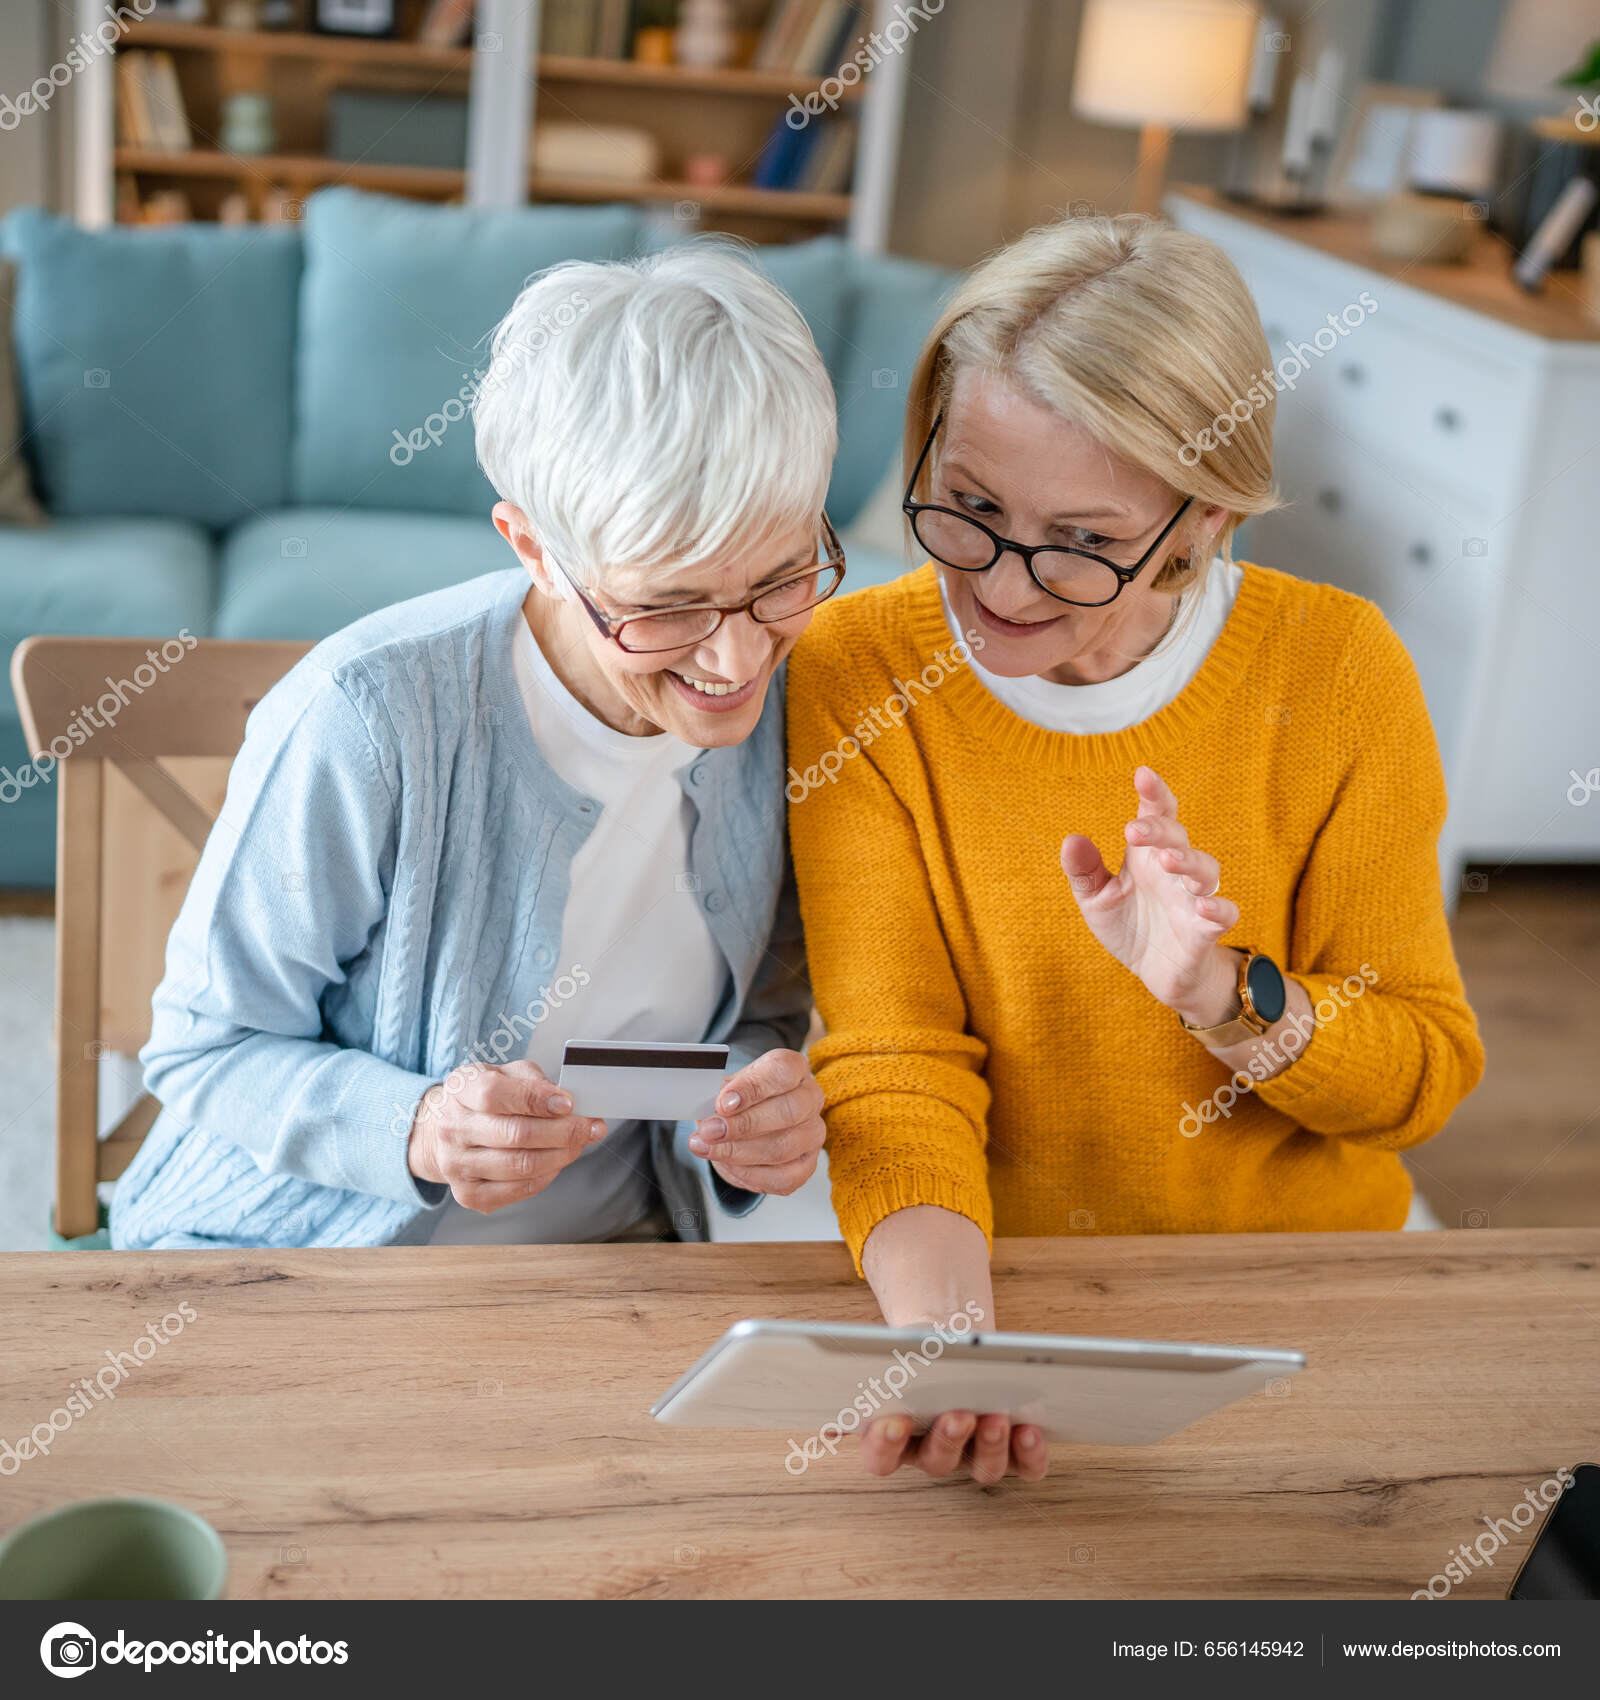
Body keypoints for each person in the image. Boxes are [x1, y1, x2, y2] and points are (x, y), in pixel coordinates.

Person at [786, 213, 1484, 1483]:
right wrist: (950, 1345)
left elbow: (1421, 1076)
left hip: (1299, 1295)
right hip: (999, 1277)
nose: (999, 586)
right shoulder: (858, 668)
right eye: (970, 505)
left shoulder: (1337, 670)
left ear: (1203, 523)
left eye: (1083, 542)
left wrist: (1225, 997)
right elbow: (895, 1061)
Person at [112, 245, 839, 1251]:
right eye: (667, 604)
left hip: (608, 1275)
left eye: (784, 573)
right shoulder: (369, 715)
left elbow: (753, 1019)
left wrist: (757, 1108)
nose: (738, 653)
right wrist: (413, 1126)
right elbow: (207, 1049)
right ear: (533, 547)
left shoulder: (812, 706)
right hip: (298, 1271)